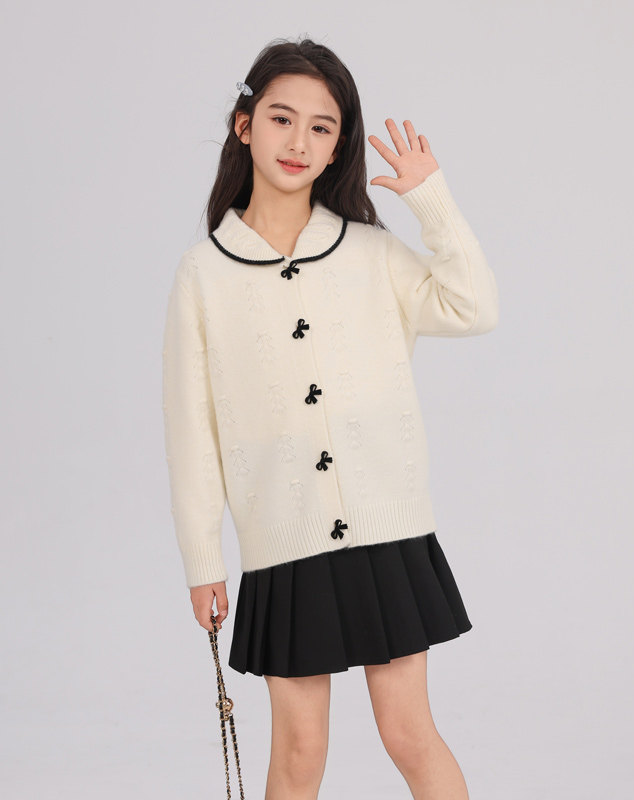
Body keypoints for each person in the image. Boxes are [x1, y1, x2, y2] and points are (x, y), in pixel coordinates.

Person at [162, 36, 499, 800]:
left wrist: (431, 201)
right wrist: (202, 558)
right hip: (283, 539)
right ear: (245, 125)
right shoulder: (203, 274)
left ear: (338, 144)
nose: (299, 142)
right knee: (298, 750)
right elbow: (191, 429)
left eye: (322, 127)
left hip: (388, 530)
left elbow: (473, 307)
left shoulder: (371, 252)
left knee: (408, 732)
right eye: (282, 118)